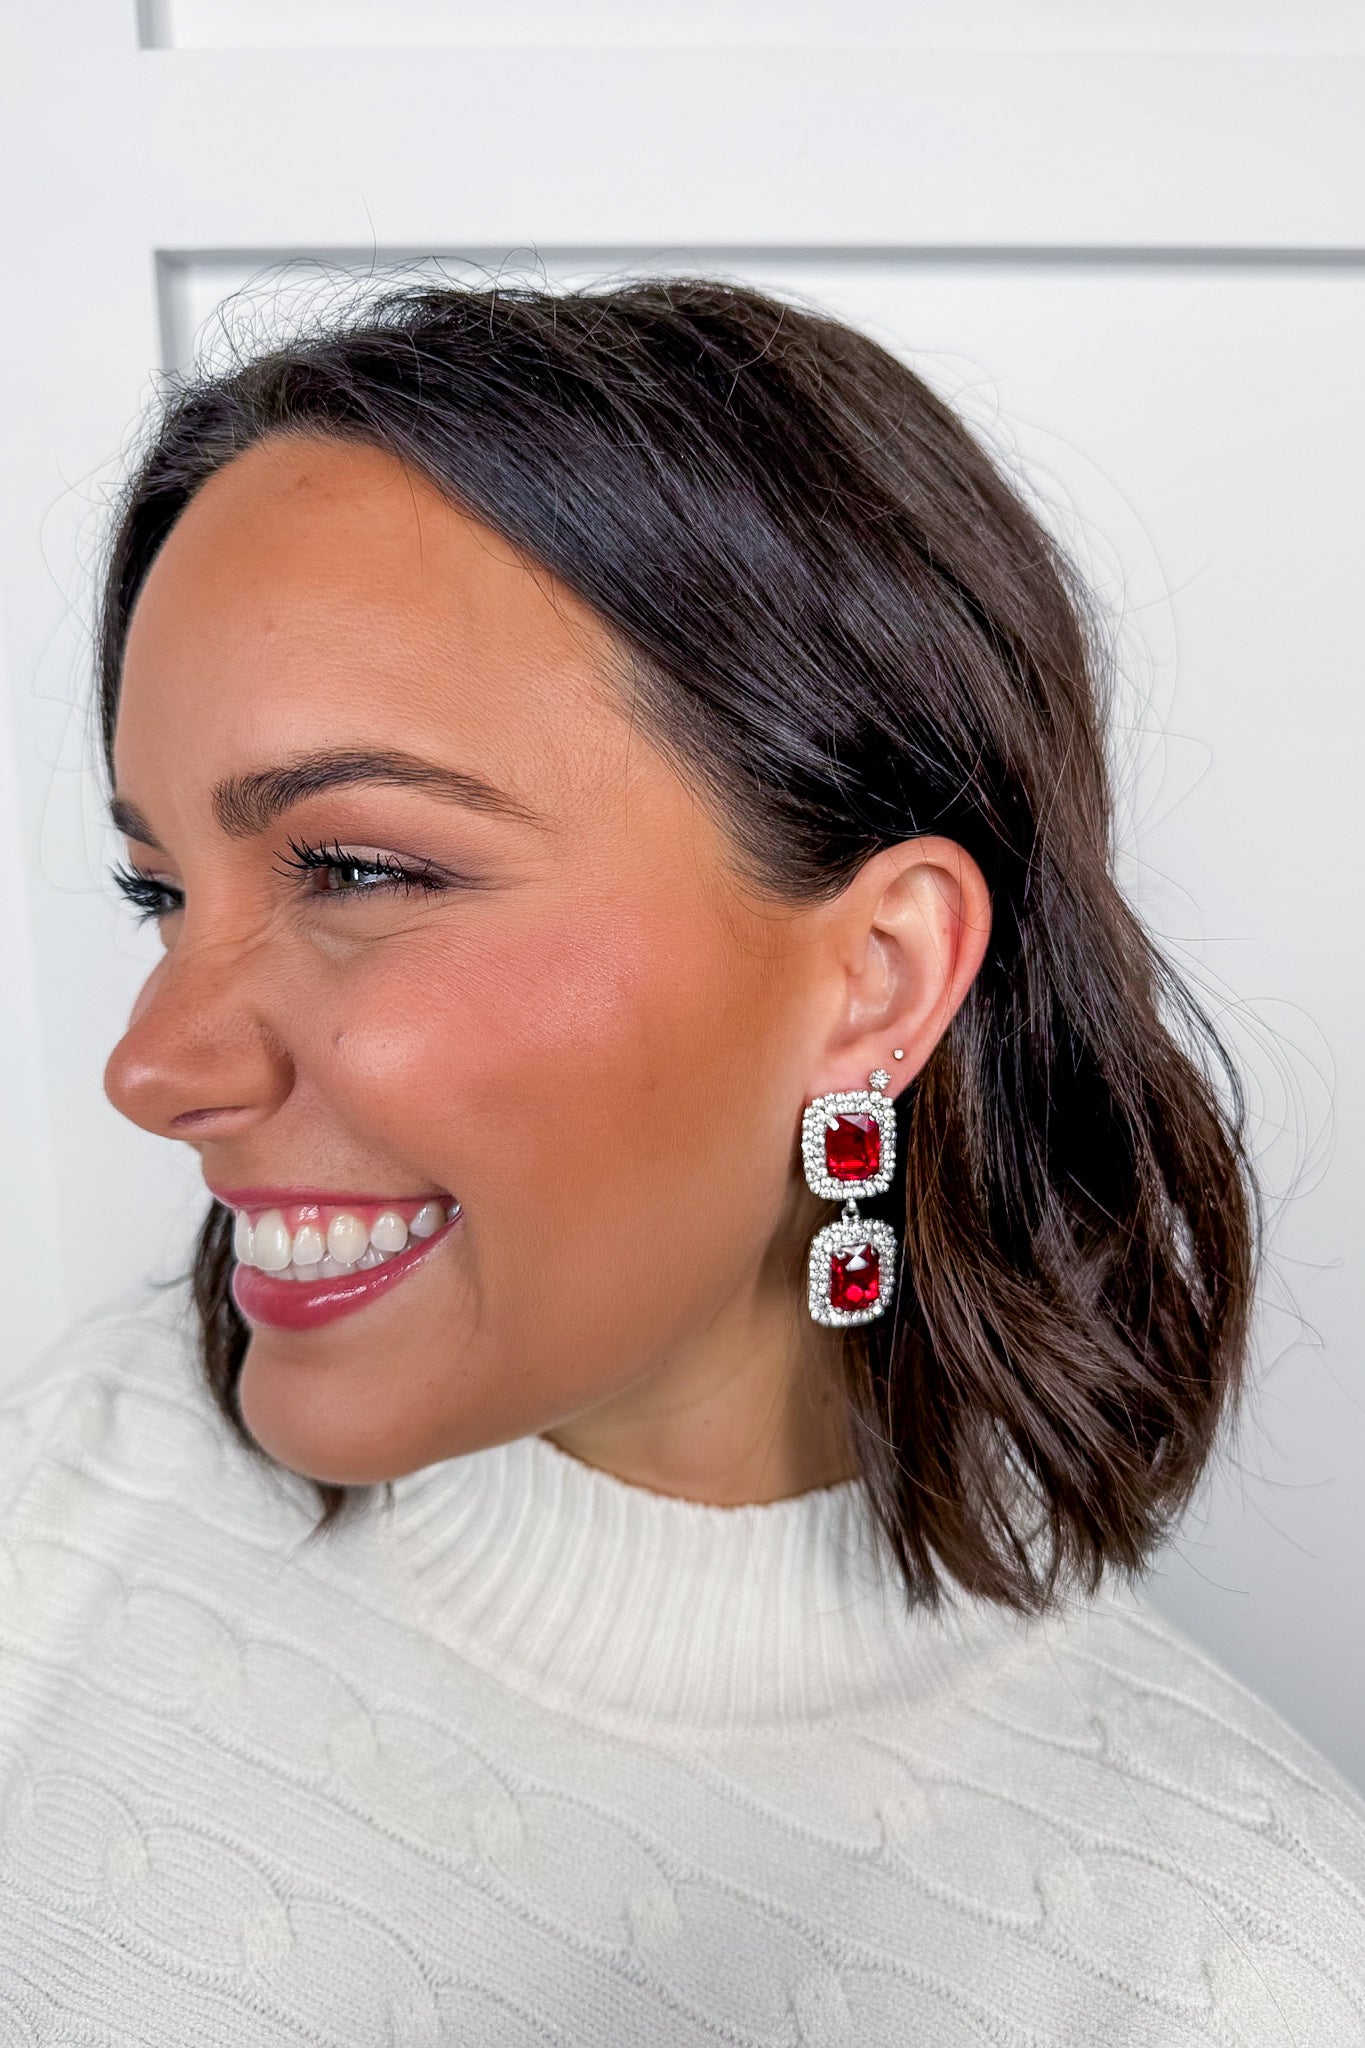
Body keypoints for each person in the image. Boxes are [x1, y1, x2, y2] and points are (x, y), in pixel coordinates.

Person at [2, 276, 1362, 2044]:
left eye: (356, 870)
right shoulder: (88, 1466)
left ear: (874, 977)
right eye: (160, 890)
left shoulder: (1220, 1974)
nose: (150, 1065)